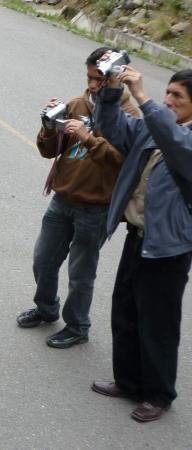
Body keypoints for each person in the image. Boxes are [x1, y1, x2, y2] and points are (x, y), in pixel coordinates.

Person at [15, 47, 141, 349]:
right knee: (43, 260)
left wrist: (88, 138)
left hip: (96, 208)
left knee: (80, 273)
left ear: (115, 77)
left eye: (100, 79)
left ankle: (77, 326)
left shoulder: (131, 116)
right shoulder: (77, 104)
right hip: (62, 200)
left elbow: (124, 164)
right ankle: (46, 308)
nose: (93, 85)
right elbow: (49, 151)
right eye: (89, 78)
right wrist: (48, 127)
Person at [91, 61, 192, 423]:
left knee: (158, 325)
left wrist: (144, 98)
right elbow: (112, 127)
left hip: (168, 249)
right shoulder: (155, 127)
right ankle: (129, 381)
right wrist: (111, 90)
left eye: (177, 96)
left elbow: (178, 146)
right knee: (126, 313)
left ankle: (159, 394)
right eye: (167, 92)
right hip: (138, 237)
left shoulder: (182, 138)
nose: (168, 100)